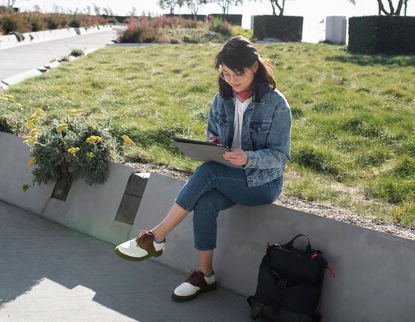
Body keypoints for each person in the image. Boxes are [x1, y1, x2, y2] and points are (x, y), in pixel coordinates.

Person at [114, 35, 291, 301]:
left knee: (207, 173)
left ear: (255, 66)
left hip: (263, 183)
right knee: (205, 202)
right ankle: (205, 276)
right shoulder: (221, 99)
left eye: (237, 73)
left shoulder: (277, 104)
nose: (231, 80)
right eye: (226, 74)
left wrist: (249, 159)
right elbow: (212, 134)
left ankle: (157, 237)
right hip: (228, 176)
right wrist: (214, 145)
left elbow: (280, 156)